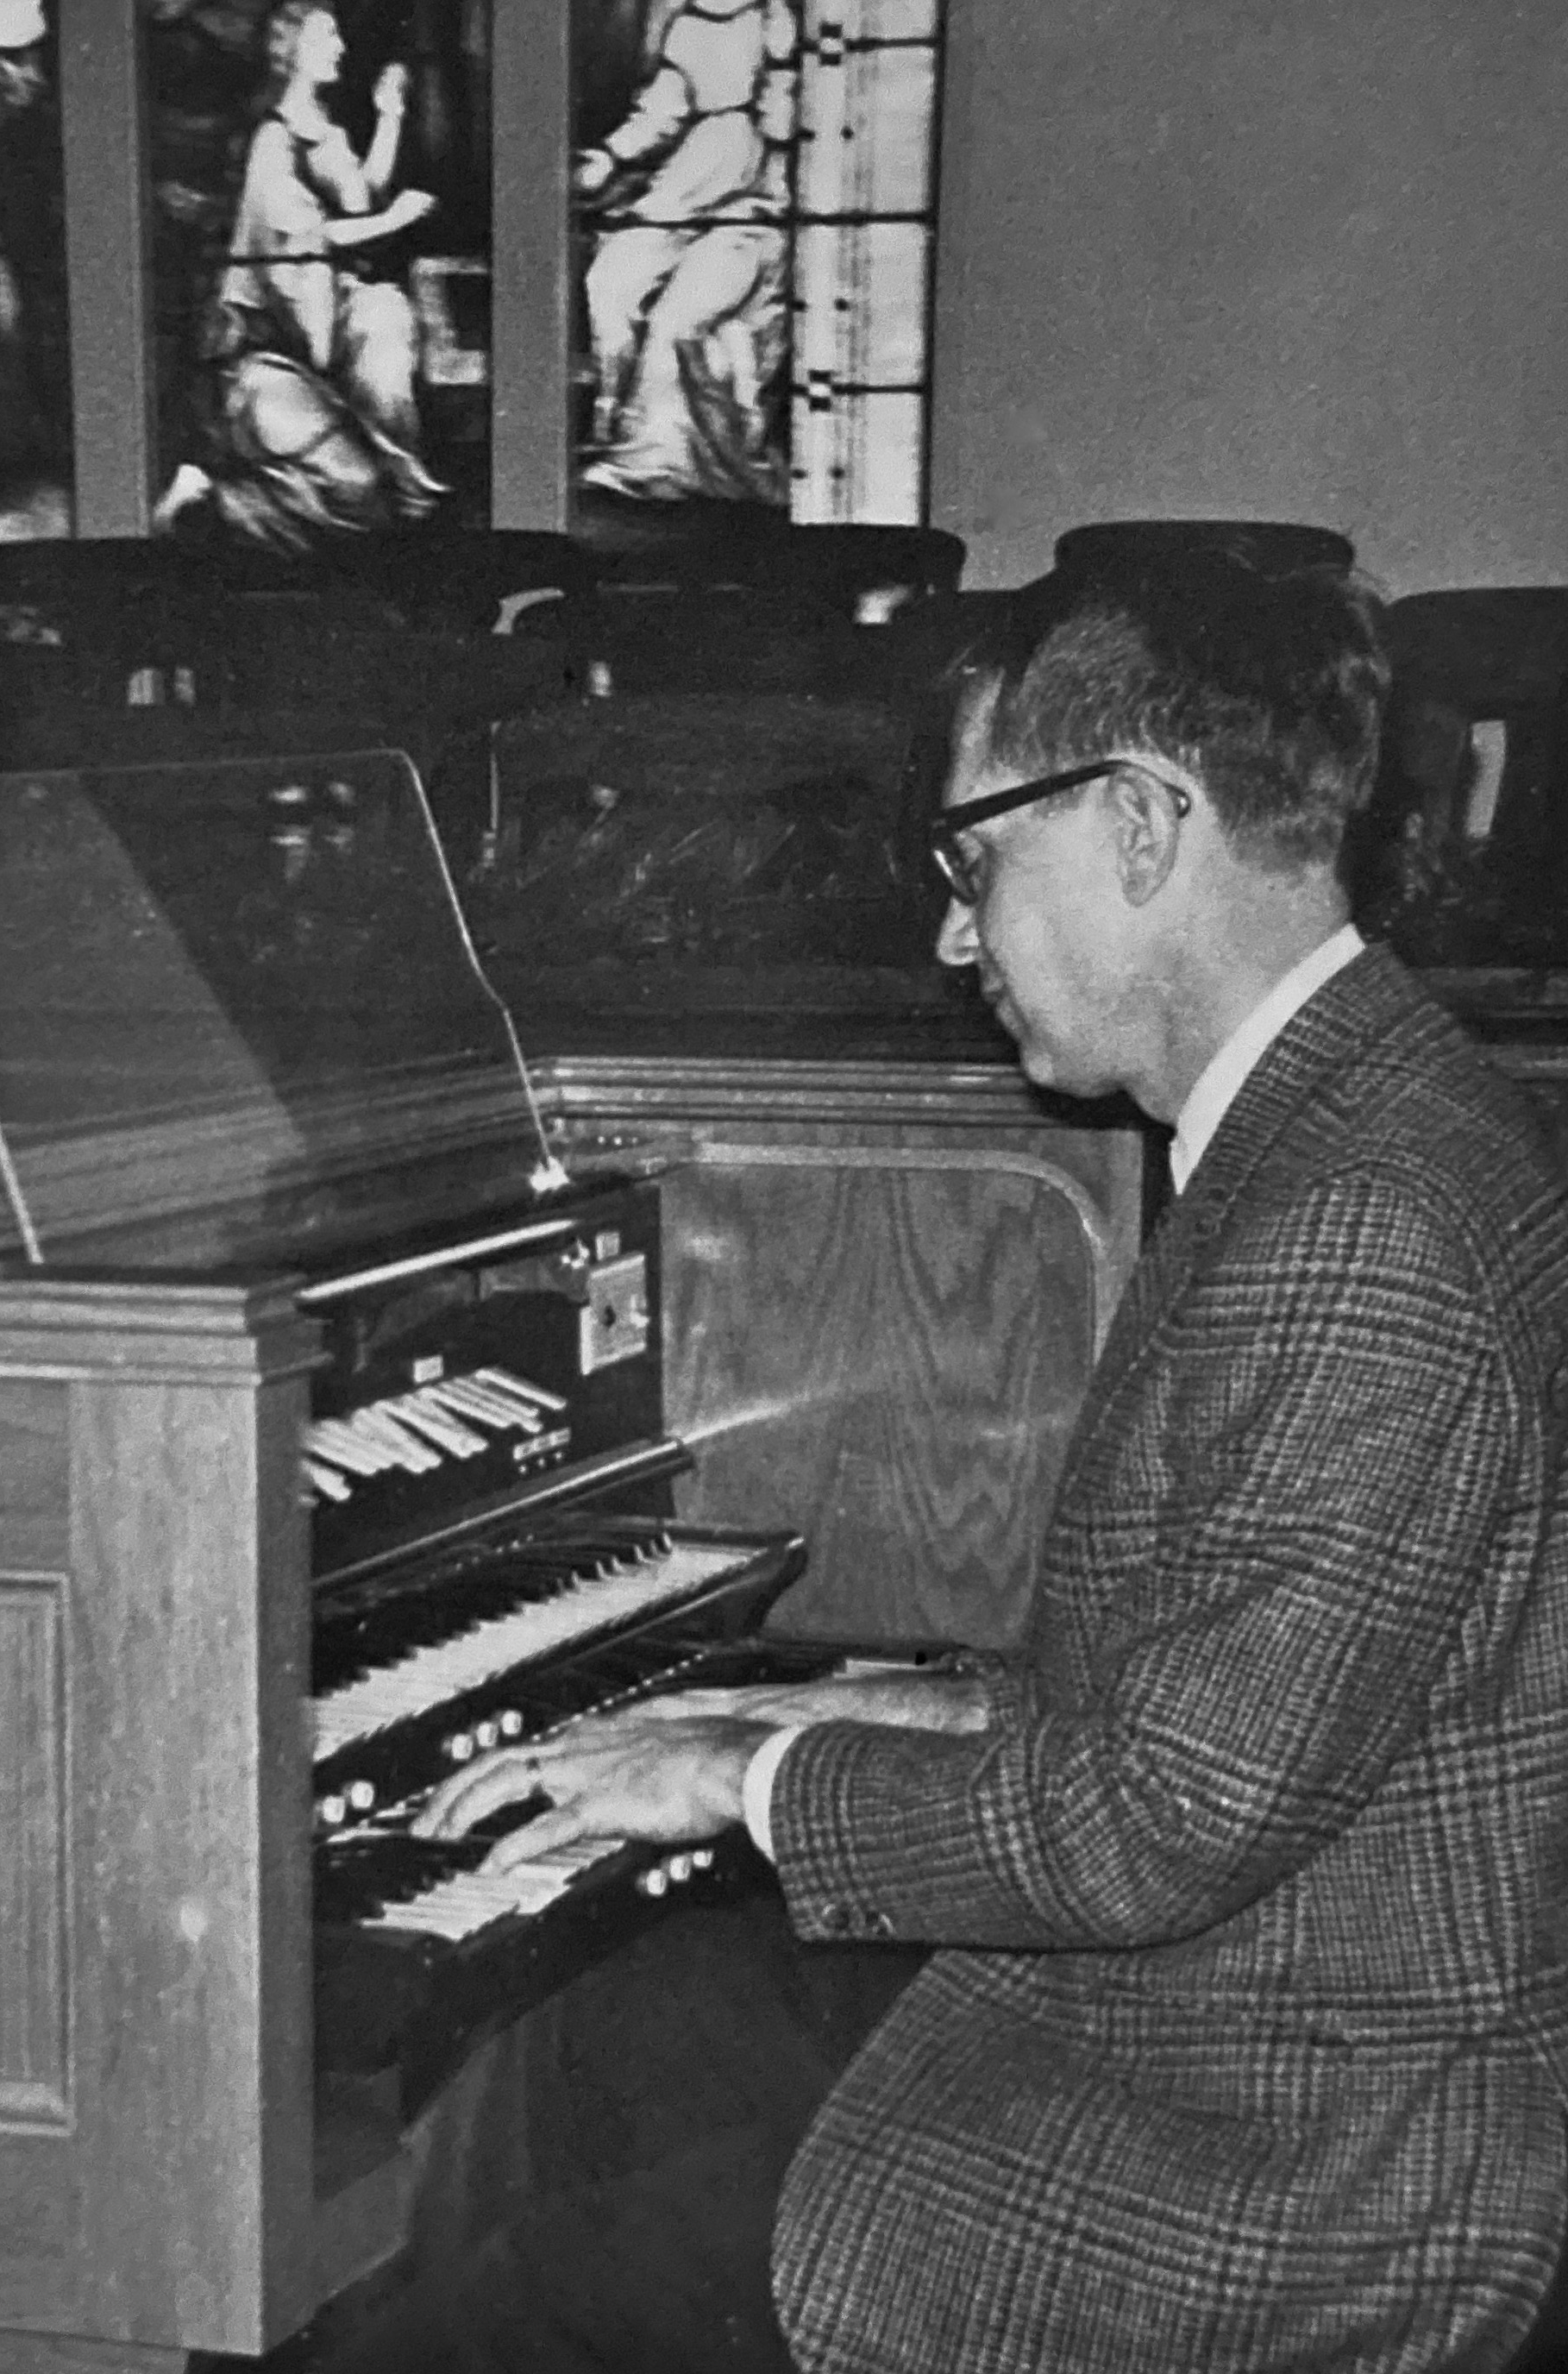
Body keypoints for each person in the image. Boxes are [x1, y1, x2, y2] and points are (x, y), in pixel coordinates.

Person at [332, 553, 1568, 2371]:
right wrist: (812, 1715)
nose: (948, 934)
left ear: (1145, 823)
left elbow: (1150, 1827)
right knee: (605, 2030)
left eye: (974, 854)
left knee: (505, 2315)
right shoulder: (1363, 1110)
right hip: (1260, 2003)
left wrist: (743, 1787)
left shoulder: (1355, 1218)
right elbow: (1214, 1691)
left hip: (1291, 2162)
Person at [149, 2, 443, 554]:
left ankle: (399, 479)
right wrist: (396, 218)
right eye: (326, 37)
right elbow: (310, 238)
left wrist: (390, 117)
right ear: (291, 53)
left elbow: (361, 199)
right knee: (358, 495)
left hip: (321, 321)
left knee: (386, 315)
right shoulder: (272, 143)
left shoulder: (323, 131)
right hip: (264, 357)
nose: (340, 48)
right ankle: (215, 504)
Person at [574, 0, 793, 503]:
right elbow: (663, 110)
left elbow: (789, 124)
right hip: (685, 188)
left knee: (676, 317)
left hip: (754, 205)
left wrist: (780, 63)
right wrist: (609, 157)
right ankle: (618, 432)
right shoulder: (691, 25)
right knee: (611, 279)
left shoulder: (785, 22)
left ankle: (656, 463)